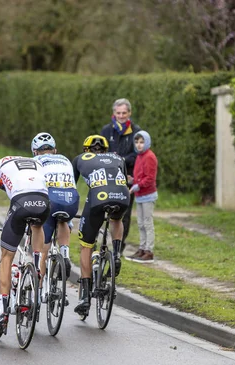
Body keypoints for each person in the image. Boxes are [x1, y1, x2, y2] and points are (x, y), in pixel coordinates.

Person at [0, 156, 50, 330]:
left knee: (6, 257)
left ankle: (3, 313)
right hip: (43, 202)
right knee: (37, 225)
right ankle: (36, 269)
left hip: (21, 203)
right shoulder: (37, 163)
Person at [72, 135, 130, 316]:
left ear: (86, 150)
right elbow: (124, 180)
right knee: (116, 219)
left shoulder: (80, 159)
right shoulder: (118, 158)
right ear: (105, 149)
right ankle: (117, 253)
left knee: (86, 246)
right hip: (122, 196)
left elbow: (71, 188)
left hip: (98, 198)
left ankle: (85, 297)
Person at [31, 133, 79, 285]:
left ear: (34, 151)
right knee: (63, 221)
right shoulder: (65, 160)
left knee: (43, 250)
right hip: (71, 199)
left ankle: (39, 290)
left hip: (50, 200)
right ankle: (65, 254)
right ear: (55, 150)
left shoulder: (35, 161)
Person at [100, 98, 141, 254]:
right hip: (108, 177)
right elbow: (102, 152)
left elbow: (138, 154)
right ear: (114, 113)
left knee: (125, 213)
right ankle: (105, 242)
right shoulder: (106, 130)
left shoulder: (136, 131)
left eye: (124, 113)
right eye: (118, 113)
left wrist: (121, 159)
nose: (121, 116)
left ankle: (119, 247)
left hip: (128, 178)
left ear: (129, 113)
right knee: (107, 210)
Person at [125, 131, 158, 263]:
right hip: (139, 195)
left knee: (147, 223)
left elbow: (150, 178)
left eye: (142, 142)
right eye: (137, 142)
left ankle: (149, 251)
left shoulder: (149, 156)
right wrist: (133, 180)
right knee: (140, 223)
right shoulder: (139, 156)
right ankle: (142, 248)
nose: (139, 145)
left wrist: (138, 185)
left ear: (147, 142)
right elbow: (140, 176)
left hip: (148, 195)